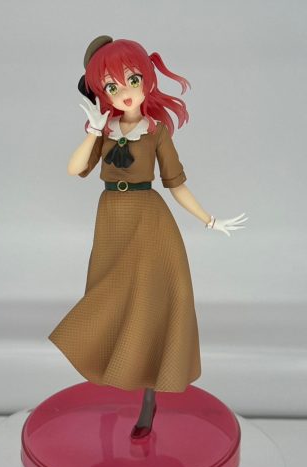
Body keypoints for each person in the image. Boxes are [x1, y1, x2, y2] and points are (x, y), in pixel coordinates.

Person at [48, 35, 247, 440]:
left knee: (151, 306)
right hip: (112, 221)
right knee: (107, 299)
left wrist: (209, 220)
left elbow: (176, 185)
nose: (125, 92)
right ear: (101, 91)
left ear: (147, 80)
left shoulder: (156, 134)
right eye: (111, 86)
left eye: (133, 80)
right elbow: (74, 169)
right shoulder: (104, 130)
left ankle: (149, 399)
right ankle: (112, 371)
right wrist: (93, 130)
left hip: (150, 224)